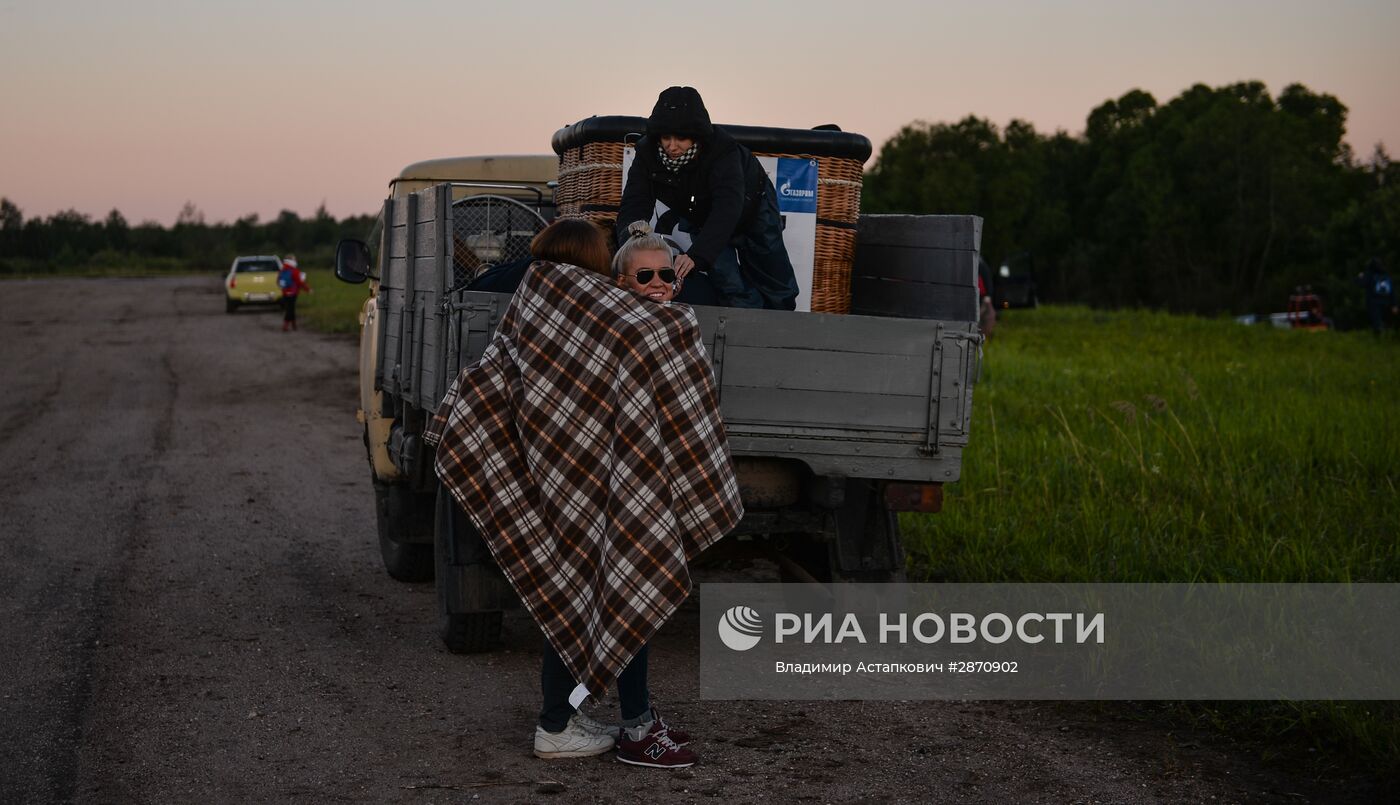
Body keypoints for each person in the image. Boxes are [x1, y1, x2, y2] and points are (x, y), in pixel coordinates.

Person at [616, 86, 798, 310]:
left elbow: (728, 207)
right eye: (665, 137)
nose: (672, 146)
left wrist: (698, 255)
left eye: (681, 138)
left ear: (697, 136)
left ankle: (785, 329)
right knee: (728, 282)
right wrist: (630, 246)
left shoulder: (723, 151)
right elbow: (634, 203)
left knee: (775, 279)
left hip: (753, 208)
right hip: (702, 215)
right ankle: (745, 336)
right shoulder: (647, 153)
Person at [1357, 258, 1397, 336]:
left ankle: (1379, 340)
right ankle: (1386, 337)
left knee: (1377, 324)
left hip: (1374, 303)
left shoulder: (1370, 274)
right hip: (1387, 303)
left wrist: (1359, 277)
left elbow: (1362, 284)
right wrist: (1394, 304)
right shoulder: (1386, 275)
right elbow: (1392, 291)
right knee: (1385, 323)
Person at [277, 255, 312, 332]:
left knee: (290, 308)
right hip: (293, 293)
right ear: (292, 261)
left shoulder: (282, 270)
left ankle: (293, 325)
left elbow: (278, 282)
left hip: (285, 292)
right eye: (294, 259)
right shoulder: (295, 271)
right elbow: (300, 283)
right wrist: (308, 290)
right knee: (290, 309)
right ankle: (286, 326)